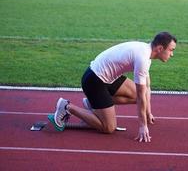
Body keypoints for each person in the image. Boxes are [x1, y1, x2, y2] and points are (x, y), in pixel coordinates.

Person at [48, 32, 177, 143]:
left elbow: (147, 88)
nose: (172, 54)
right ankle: (67, 106)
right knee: (108, 128)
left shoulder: (146, 51)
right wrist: (143, 126)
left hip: (108, 78)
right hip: (94, 80)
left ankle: (93, 103)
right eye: (171, 50)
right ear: (160, 48)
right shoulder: (143, 58)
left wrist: (148, 112)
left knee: (143, 96)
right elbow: (141, 95)